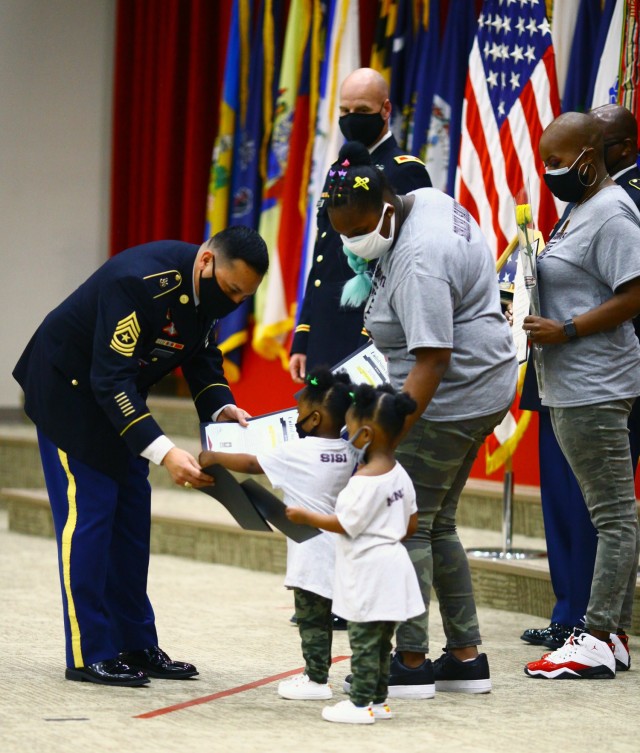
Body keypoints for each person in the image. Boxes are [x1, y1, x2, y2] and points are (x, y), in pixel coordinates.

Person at [12, 226, 268, 686]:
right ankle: (90, 651)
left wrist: (221, 406)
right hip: (68, 392)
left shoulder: (207, 291)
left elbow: (202, 357)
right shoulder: (138, 282)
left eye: (243, 297)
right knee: (90, 518)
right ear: (207, 262)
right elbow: (107, 380)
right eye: (230, 291)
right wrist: (165, 452)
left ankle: (136, 643)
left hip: (118, 394)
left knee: (131, 520)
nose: (232, 303)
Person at [328, 141, 518, 698]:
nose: (353, 243)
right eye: (343, 232)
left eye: (360, 231)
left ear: (388, 209)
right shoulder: (425, 200)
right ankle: (465, 657)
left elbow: (433, 359)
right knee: (437, 522)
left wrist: (388, 440)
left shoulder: (419, 262)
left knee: (403, 522)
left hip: (450, 395)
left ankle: (410, 662)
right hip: (481, 383)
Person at [522, 111, 640, 680]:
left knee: (613, 515)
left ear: (589, 159)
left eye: (555, 161)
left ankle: (593, 636)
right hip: (573, 382)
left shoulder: (613, 213)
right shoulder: (581, 208)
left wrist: (564, 331)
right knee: (611, 512)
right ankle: (611, 632)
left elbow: (635, 294)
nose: (548, 172)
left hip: (596, 383)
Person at [198, 368, 355, 701]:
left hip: (311, 554)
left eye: (299, 413)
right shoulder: (349, 453)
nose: (295, 418)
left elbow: (253, 464)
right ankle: (365, 674)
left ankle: (315, 679)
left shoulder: (296, 453)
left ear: (314, 419)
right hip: (347, 551)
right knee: (353, 619)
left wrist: (212, 455)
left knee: (314, 622)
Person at [286, 383, 424, 725]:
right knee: (381, 642)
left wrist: (306, 516)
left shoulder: (362, 483)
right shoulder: (400, 475)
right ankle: (378, 700)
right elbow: (411, 525)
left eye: (349, 429)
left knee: (363, 638)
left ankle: (360, 704)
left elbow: (344, 524)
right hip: (395, 566)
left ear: (365, 434)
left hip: (368, 571)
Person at [289, 67, 431, 383]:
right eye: (345, 110)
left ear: (385, 109)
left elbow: (406, 262)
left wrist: (373, 336)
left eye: (363, 111)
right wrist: (304, 333)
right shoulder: (338, 171)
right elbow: (323, 256)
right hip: (325, 328)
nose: (352, 118)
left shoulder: (404, 172)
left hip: (369, 334)